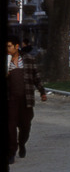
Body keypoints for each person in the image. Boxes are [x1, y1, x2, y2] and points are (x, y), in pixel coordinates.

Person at [6, 35, 47, 164]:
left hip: (26, 99)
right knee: (10, 126)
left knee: (25, 126)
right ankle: (11, 151)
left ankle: (22, 143)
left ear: (16, 46)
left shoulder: (28, 59)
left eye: (9, 46)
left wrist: (42, 92)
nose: (7, 49)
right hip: (10, 100)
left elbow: (36, 77)